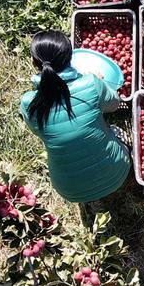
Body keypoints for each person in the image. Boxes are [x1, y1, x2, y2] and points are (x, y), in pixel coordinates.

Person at [20, 30, 130, 203]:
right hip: (117, 174)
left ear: (35, 63)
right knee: (116, 131)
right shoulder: (91, 84)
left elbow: (39, 131)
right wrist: (100, 83)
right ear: (70, 57)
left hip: (70, 191)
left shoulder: (29, 104)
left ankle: (92, 201)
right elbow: (114, 105)